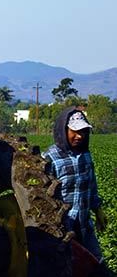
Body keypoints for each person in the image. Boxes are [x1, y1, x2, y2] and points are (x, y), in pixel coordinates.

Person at [44, 108, 108, 262]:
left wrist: (98, 211)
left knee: (97, 264)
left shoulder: (85, 155)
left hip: (85, 224)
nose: (80, 136)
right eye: (75, 131)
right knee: (66, 269)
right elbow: (44, 199)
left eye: (84, 132)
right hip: (63, 228)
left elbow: (91, 186)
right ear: (63, 130)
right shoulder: (49, 158)